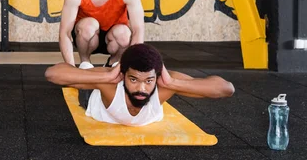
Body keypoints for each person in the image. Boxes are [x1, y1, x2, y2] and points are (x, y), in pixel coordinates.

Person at [45, 44, 234, 126]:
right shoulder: (110, 84)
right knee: (85, 71)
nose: (142, 89)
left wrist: (172, 82)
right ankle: (99, 65)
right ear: (124, 75)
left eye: (149, 81)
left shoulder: (165, 86)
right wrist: (106, 77)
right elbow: (52, 74)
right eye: (134, 79)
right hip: (97, 97)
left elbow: (226, 89)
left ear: (157, 77)